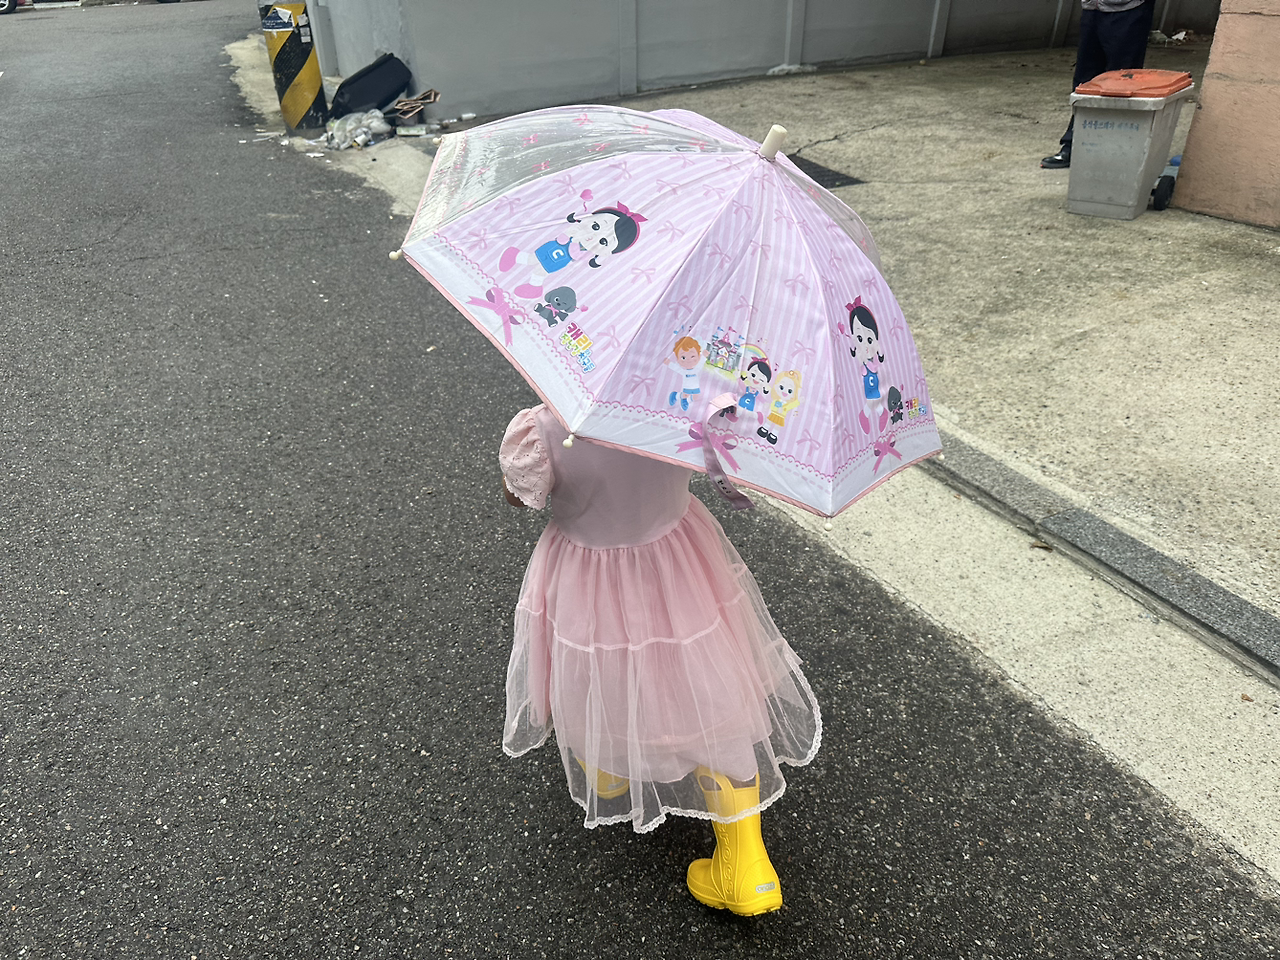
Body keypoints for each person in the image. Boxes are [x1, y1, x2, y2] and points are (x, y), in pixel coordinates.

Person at [498, 405, 821, 916]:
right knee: (704, 676)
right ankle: (746, 867)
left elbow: (521, 496)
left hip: (589, 575)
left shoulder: (544, 430)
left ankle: (610, 770)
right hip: (679, 561)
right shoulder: (684, 406)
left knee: (596, 668)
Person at [1041, 0, 1156, 168]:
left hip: (1128, 9)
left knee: (1122, 82)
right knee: (1085, 82)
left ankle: (1115, 149)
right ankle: (1074, 145)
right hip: (1092, 7)